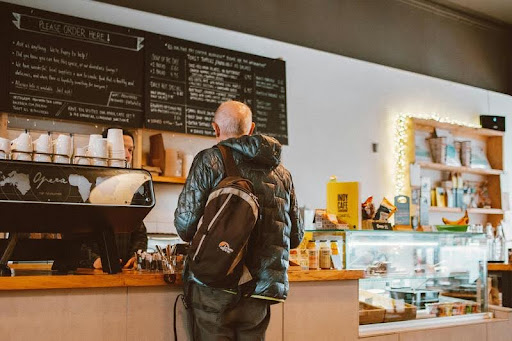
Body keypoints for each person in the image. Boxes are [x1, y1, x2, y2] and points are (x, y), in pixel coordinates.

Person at [174, 100, 304, 340]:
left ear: (215, 128)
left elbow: (185, 225)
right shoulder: (282, 173)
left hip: (215, 282)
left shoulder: (210, 160)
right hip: (261, 290)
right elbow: (295, 237)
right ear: (251, 129)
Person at [80, 129, 147, 269]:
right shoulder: (83, 185)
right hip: (88, 272)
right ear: (103, 149)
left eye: (131, 150)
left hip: (122, 271)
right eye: (121, 148)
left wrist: (136, 256)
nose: (127, 155)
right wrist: (94, 260)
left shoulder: (131, 188)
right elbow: (73, 233)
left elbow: (139, 232)